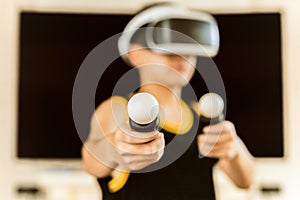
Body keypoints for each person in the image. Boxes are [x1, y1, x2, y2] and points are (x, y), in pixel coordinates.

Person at [82, 3, 254, 200]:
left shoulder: (202, 116)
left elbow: (245, 182)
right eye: (169, 50)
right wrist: (116, 149)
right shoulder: (118, 110)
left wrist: (234, 150)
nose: (182, 58)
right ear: (135, 54)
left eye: (189, 50)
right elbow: (91, 160)